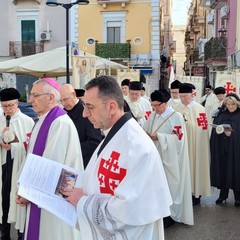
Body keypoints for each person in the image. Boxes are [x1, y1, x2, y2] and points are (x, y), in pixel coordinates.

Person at [63, 76, 172, 240]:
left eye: (90, 107)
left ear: (112, 107)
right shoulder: (113, 134)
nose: (85, 114)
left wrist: (83, 202)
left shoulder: (137, 147)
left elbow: (129, 210)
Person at [16, 78, 83, 240]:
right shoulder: (42, 120)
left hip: (54, 199)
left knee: (52, 233)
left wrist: (29, 193)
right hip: (42, 195)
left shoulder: (60, 122)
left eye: (35, 95)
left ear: (51, 97)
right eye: (30, 95)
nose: (30, 100)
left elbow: (51, 166)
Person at [144, 89, 193, 227]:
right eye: (152, 105)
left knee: (170, 187)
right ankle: (158, 213)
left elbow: (179, 140)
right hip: (156, 158)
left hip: (171, 161)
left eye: (157, 105)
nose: (154, 108)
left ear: (165, 103)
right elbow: (145, 129)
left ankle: (170, 216)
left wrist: (159, 137)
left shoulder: (175, 116)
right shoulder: (153, 115)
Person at [0, 88, 34, 240]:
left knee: (16, 198)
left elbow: (30, 146)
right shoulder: (0, 119)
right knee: (3, 198)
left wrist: (13, 146)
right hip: (2, 164)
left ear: (17, 103)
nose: (7, 109)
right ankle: (4, 231)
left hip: (18, 165)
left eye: (10, 106)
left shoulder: (27, 121)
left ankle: (21, 232)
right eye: (4, 106)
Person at [173, 83, 211, 205]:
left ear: (192, 95)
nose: (183, 99)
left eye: (185, 96)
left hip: (196, 145)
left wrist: (188, 124)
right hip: (181, 144)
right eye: (181, 96)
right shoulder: (176, 108)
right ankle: (183, 192)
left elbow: (202, 129)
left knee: (195, 166)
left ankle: (196, 193)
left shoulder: (199, 109)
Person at [60, 84, 102, 168]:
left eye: (66, 99)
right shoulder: (62, 113)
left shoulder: (86, 111)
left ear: (74, 95)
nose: (64, 103)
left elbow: (95, 141)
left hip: (83, 164)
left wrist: (72, 150)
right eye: (61, 101)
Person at [210, 93, 240, 207]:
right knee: (223, 171)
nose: (230, 107)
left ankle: (238, 197)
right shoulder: (221, 115)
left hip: (236, 150)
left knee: (236, 171)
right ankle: (223, 195)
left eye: (232, 104)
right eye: (228, 104)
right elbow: (215, 131)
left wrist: (232, 134)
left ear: (237, 104)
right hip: (223, 149)